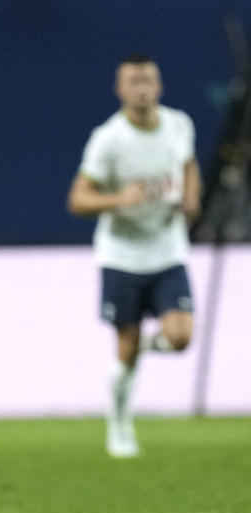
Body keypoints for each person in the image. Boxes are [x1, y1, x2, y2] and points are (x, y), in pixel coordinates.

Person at [67, 54, 201, 458]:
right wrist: (118, 198)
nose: (142, 88)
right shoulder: (109, 138)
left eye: (148, 80)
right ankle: (120, 424)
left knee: (181, 337)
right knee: (125, 347)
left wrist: (192, 196)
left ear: (159, 86)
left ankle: (147, 348)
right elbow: (78, 199)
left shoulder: (179, 124)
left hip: (167, 248)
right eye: (134, 82)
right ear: (120, 89)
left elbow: (189, 164)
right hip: (122, 255)